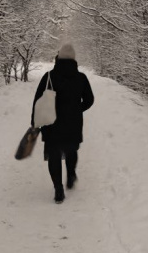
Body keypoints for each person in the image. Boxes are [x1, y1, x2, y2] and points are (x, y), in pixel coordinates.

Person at [31, 44, 94, 204]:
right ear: (73, 59)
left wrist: (35, 123)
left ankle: (58, 189)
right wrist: (77, 109)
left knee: (54, 155)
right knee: (71, 149)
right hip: (73, 123)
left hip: (51, 123)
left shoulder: (49, 77)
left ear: (58, 57)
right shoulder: (81, 78)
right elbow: (89, 100)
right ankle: (71, 175)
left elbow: (38, 100)